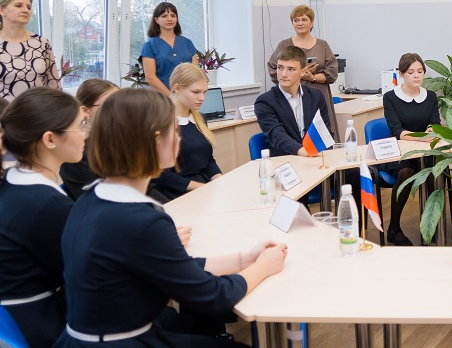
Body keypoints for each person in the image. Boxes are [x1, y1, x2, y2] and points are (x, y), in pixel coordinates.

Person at [55, 88, 287, 348]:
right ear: (156, 140)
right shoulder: (143, 219)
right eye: (175, 131)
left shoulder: (92, 198)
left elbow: (175, 266)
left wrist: (244, 259)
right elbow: (212, 296)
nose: (178, 138)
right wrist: (262, 267)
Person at [0, 88, 85, 348]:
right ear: (50, 139)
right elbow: (86, 272)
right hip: (46, 327)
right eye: (81, 126)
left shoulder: (13, 181)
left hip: (25, 316)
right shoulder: (46, 203)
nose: (85, 134)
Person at [382, 53, 440, 246]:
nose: (416, 75)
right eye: (411, 72)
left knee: (434, 173)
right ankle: (394, 228)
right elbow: (397, 131)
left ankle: (430, 225)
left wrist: (431, 130)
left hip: (426, 151)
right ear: (401, 74)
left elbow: (435, 124)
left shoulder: (430, 96)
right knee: (406, 173)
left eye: (420, 71)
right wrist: (423, 136)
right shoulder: (390, 97)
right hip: (400, 153)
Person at [267, 5, 340, 140]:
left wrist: (312, 77)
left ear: (311, 23)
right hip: (292, 95)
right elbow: (273, 68)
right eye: (296, 20)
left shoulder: (322, 45)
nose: (300, 23)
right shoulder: (284, 45)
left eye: (304, 19)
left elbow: (333, 72)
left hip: (318, 94)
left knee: (321, 134)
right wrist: (295, 76)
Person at [153, 64, 223, 201]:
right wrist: (203, 188)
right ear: (177, 88)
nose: (202, 98)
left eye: (204, 92)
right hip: (175, 193)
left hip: (202, 188)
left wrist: (221, 180)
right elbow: (159, 174)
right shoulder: (159, 122)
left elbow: (207, 160)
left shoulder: (200, 119)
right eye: (196, 92)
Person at [254, 46, 335, 158]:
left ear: (302, 72)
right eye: (280, 68)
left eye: (291, 69)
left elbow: (324, 132)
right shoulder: (264, 101)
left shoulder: (315, 96)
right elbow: (276, 135)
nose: (283, 74)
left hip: (315, 157)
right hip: (285, 160)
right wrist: (303, 152)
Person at [59, 79, 118, 200]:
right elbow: (97, 200)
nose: (118, 110)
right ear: (85, 111)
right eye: (109, 105)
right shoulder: (76, 154)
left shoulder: (119, 137)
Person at [0, 0, 60, 101]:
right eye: (18, 5)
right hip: (4, 110)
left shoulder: (42, 43)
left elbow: (54, 84)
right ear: (1, 10)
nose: (25, 10)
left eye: (29, 7)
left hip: (38, 109)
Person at [139, 2, 199, 95]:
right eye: (164, 16)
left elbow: (195, 71)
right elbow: (150, 77)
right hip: (162, 97)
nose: (169, 19)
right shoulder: (150, 45)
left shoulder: (187, 42)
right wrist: (171, 96)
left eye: (173, 15)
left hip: (187, 95)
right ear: (156, 20)